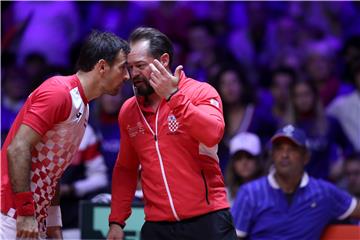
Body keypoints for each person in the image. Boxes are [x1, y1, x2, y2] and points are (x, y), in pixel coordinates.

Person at [108, 27, 236, 240]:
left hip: (207, 219)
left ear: (164, 60)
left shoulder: (199, 92)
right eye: (130, 67)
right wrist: (116, 221)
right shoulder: (129, 111)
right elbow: (125, 168)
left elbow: (213, 133)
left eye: (140, 66)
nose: (134, 75)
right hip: (158, 227)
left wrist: (173, 97)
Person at [0, 30, 130, 239]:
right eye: (123, 67)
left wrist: (53, 224)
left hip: (34, 217)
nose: (126, 76)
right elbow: (17, 148)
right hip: (10, 213)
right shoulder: (59, 91)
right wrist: (25, 212)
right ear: (102, 67)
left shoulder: (83, 107)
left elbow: (53, 170)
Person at [231, 124, 360, 239]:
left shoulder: (323, 193)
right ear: (272, 155)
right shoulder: (250, 193)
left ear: (306, 157)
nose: (284, 155)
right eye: (279, 148)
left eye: (292, 149)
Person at [60, 124, 108, 239]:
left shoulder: (85, 131)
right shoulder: (35, 125)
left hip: (71, 219)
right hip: (34, 218)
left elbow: (100, 178)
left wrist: (71, 189)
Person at [225, 132, 263, 206]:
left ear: (258, 160)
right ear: (233, 163)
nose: (244, 162)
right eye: (238, 158)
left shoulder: (269, 191)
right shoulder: (225, 195)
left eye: (249, 157)